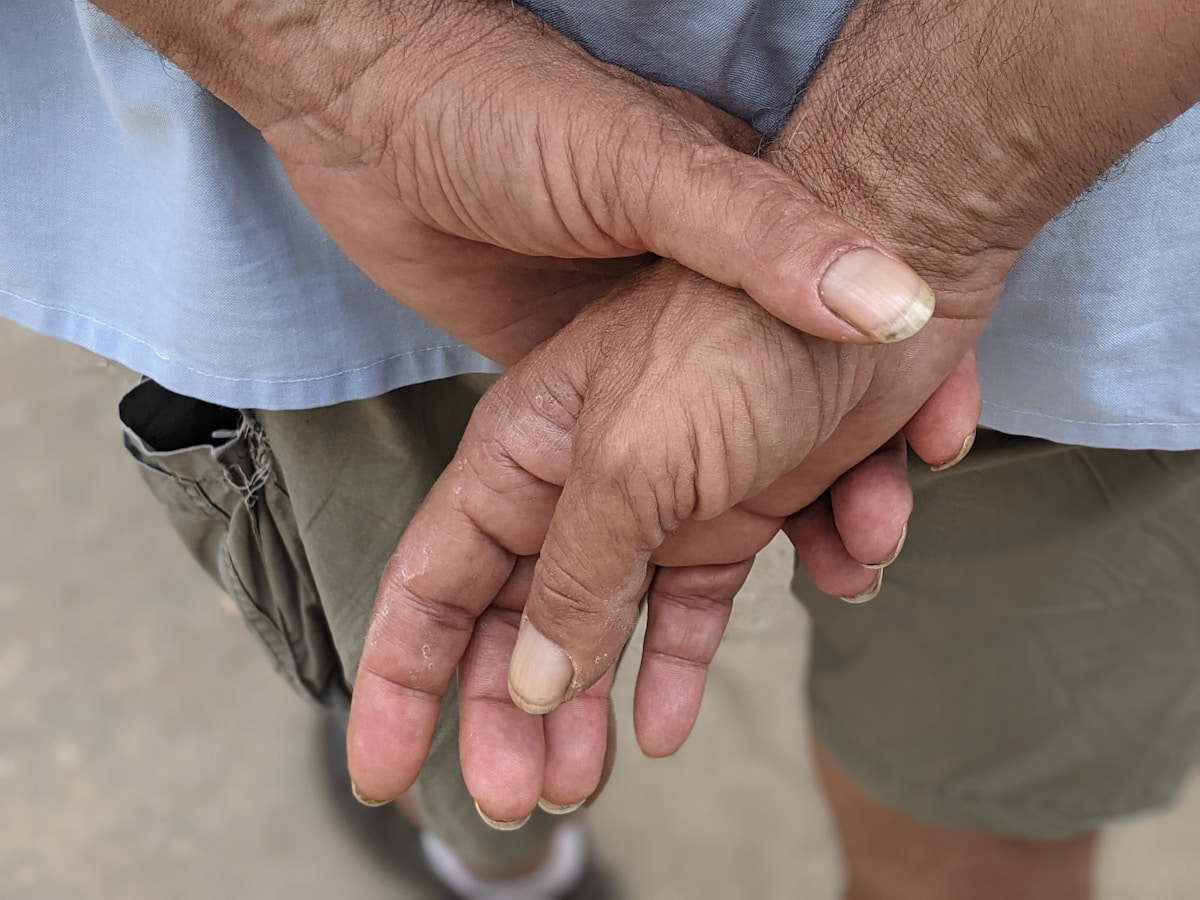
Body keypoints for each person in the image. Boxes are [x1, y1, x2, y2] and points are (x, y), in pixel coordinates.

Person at [4, 1, 1199, 899]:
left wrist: (917, 186)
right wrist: (330, 56)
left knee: (985, 800)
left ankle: (497, 869)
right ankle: (503, 872)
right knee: (457, 700)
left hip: (1106, 195)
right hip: (370, 208)